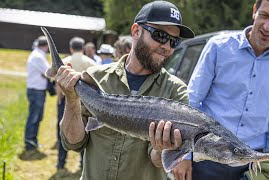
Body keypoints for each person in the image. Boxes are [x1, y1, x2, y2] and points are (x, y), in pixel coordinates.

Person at [55, 1, 194, 179]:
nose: (167, 46)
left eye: (174, 41)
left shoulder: (176, 92)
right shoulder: (93, 77)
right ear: (136, 31)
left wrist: (162, 149)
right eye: (160, 35)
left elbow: (156, 159)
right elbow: (73, 143)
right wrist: (71, 100)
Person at [187, 0, 269, 179]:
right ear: (254, 11)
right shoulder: (218, 47)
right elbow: (192, 102)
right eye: (264, 15)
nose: (268, 26)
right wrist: (185, 156)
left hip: (252, 164)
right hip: (205, 158)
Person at [56, 37, 96, 170]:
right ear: (83, 48)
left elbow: (57, 82)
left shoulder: (65, 61)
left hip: (66, 100)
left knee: (63, 131)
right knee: (85, 131)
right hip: (86, 103)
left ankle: (61, 163)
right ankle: (82, 163)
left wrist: (59, 98)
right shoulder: (91, 62)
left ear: (71, 48)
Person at [25, 36, 50, 151]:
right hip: (36, 90)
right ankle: (29, 142)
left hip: (36, 90)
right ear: (46, 45)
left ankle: (32, 140)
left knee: (37, 116)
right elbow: (49, 72)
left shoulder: (37, 55)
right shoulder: (38, 57)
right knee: (34, 117)